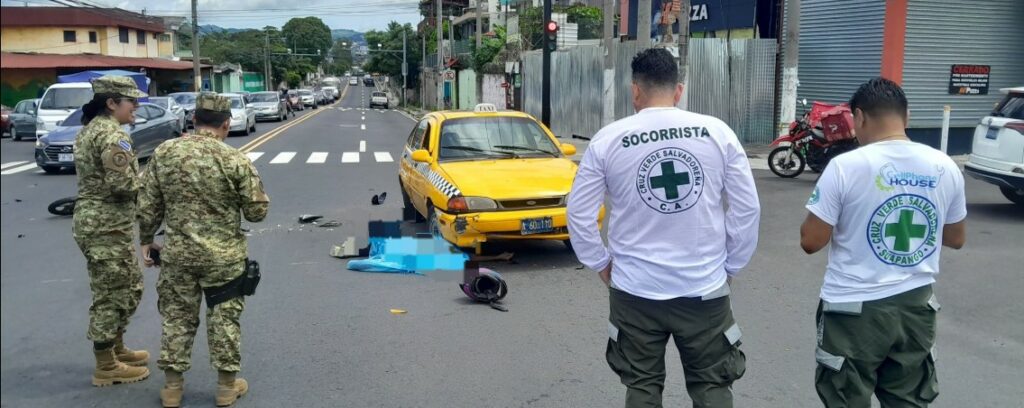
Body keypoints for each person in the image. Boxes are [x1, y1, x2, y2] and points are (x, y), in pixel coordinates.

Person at [567, 48, 761, 408]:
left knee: (641, 387)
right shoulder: (717, 133)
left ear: (635, 91)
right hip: (704, 290)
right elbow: (747, 208)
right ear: (679, 90)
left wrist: (601, 265)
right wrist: (730, 266)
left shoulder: (609, 139)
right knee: (713, 387)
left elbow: (578, 214)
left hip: (634, 291)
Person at [800, 77, 966, 407]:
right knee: (908, 399)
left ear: (859, 117)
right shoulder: (944, 165)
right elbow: (956, 238)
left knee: (846, 397)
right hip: (916, 308)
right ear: (906, 117)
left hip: (853, 310)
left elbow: (811, 240)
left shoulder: (845, 167)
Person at [138, 92, 270, 407]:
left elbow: (148, 204)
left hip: (178, 257)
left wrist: (146, 239)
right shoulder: (234, 160)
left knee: (177, 318)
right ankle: (226, 388)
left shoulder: (165, 152)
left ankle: (172, 389)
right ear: (226, 124)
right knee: (224, 320)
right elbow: (256, 213)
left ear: (194, 120)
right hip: (223, 259)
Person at [72, 75, 151, 387]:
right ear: (111, 103)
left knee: (129, 285)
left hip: (105, 224)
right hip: (104, 225)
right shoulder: (111, 135)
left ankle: (117, 347)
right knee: (111, 293)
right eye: (131, 101)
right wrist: (151, 180)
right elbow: (122, 185)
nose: (137, 106)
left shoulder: (92, 129)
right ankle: (106, 364)